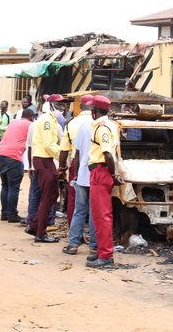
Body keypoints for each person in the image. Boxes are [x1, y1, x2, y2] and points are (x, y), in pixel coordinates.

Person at [24, 94, 68, 243]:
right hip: (44, 160)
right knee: (47, 196)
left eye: (63, 105)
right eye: (59, 104)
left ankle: (35, 225)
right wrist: (62, 160)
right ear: (50, 104)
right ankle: (40, 233)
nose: (62, 107)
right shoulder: (47, 120)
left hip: (44, 160)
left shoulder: (51, 119)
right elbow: (49, 145)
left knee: (53, 194)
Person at [86, 95, 124, 267]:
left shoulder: (101, 128)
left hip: (100, 171)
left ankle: (106, 255)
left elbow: (108, 155)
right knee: (101, 214)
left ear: (95, 111)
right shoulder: (109, 125)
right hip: (102, 171)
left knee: (102, 215)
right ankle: (103, 251)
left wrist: (114, 174)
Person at [62, 97, 97, 258]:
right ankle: (94, 247)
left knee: (79, 210)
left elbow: (76, 154)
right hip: (97, 175)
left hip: (82, 175)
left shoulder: (81, 126)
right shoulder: (106, 126)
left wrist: (75, 173)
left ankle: (73, 244)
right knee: (95, 211)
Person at [58, 95, 93, 227]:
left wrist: (62, 168)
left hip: (77, 164)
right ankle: (96, 238)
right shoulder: (101, 122)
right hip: (98, 165)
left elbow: (64, 149)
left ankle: (75, 233)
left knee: (74, 199)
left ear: (80, 106)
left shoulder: (71, 123)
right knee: (96, 202)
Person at [0, 109, 35, 222]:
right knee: (14, 187)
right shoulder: (31, 125)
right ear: (32, 118)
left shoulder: (12, 122)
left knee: (5, 186)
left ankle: (4, 213)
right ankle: (12, 215)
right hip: (13, 157)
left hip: (0, 154)